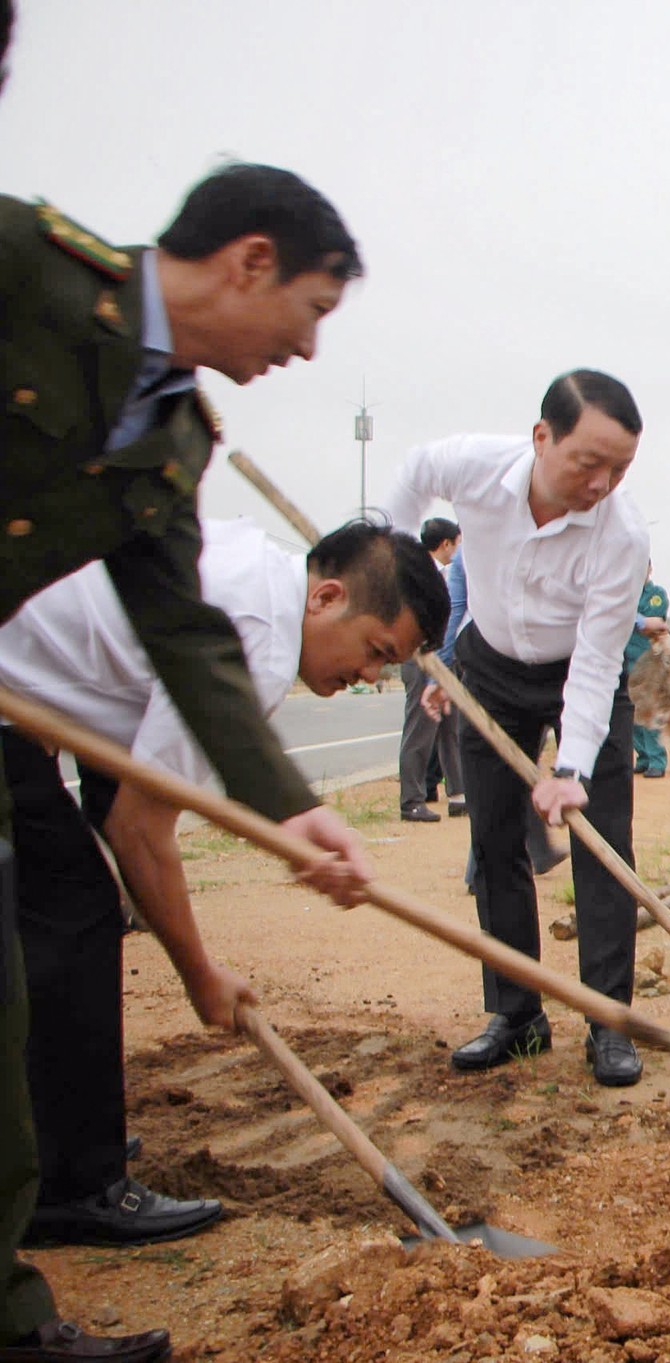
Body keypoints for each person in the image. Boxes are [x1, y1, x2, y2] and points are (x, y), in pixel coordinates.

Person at [0, 157, 370, 1363]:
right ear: (250, 260)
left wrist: (287, 806)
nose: (308, 351)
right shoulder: (23, 270)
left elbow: (184, 635)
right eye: (312, 311)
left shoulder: (172, 434)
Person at [0, 521, 446, 1250]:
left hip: (33, 692)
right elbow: (139, 829)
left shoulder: (259, 578)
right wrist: (201, 976)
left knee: (69, 892)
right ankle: (76, 1183)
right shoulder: (256, 637)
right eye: (375, 652)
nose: (371, 677)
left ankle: (67, 1132)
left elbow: (130, 783)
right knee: (74, 905)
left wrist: (295, 814)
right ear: (327, 596)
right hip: (9, 695)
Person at [383, 370, 649, 1087]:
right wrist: (396, 578)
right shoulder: (477, 466)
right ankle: (517, 1013)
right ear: (542, 437)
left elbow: (596, 663)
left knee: (604, 845)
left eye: (618, 468)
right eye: (587, 462)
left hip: (577, 676)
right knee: (494, 839)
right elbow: (413, 474)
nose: (601, 482)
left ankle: (608, 1021)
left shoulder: (621, 534)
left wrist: (572, 770)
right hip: (491, 666)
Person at [439, 548, 567, 883]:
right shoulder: (469, 551)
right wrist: (440, 668)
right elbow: (455, 609)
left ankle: (534, 852)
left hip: (553, 665)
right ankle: (481, 870)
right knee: (496, 780)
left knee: (517, 771)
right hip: (491, 670)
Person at [399, 517, 462, 821]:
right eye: (457, 543)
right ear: (446, 544)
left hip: (442, 658)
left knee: (451, 724)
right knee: (421, 728)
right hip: (420, 657)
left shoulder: (449, 574)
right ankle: (411, 800)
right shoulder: (419, 574)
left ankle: (459, 794)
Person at [627, 566, 670, 777]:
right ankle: (643, 756)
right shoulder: (626, 592)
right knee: (631, 715)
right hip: (624, 661)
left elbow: (653, 620)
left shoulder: (656, 595)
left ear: (650, 569)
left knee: (649, 712)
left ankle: (657, 760)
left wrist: (632, 616)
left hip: (648, 662)